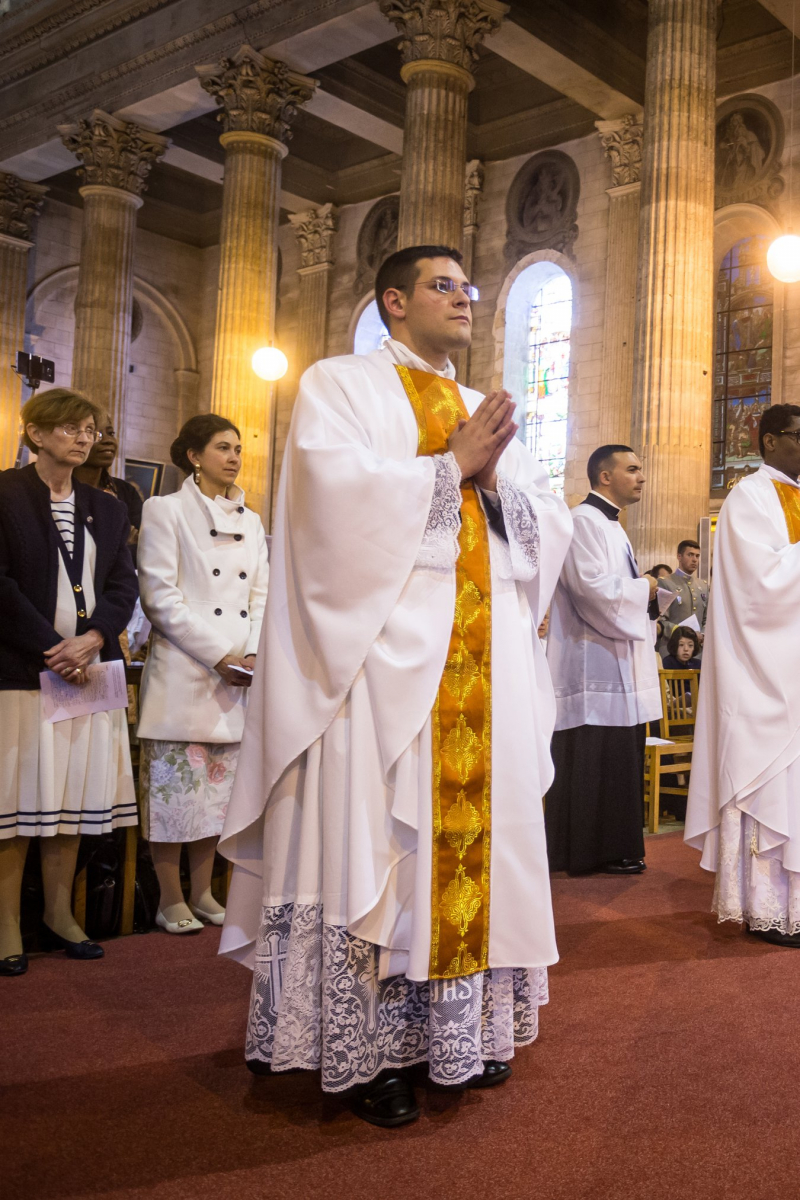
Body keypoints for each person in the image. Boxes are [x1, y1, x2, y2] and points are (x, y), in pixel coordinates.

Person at [218, 243, 573, 1126]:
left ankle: (461, 1037)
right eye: (442, 286)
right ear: (392, 300)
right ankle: (370, 1053)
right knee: (384, 854)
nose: (463, 299)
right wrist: (448, 469)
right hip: (380, 676)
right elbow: (329, 508)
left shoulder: (478, 402)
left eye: (468, 288)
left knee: (467, 858)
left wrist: (496, 487)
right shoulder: (341, 383)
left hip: (481, 671)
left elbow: (544, 527)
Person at [0, 388, 138, 977]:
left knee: (70, 801)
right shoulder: (4, 494)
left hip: (87, 672)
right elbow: (0, 583)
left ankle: (60, 912)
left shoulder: (106, 507)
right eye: (71, 428)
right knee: (18, 801)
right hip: (23, 670)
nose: (84, 437)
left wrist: (95, 638)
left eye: (90, 428)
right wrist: (52, 648)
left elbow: (121, 586)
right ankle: (6, 922)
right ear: (36, 434)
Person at [136, 415, 269, 936]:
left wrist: (254, 653)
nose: (234, 456)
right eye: (221, 447)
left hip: (238, 673)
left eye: (238, 447)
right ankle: (170, 899)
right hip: (187, 667)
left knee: (216, 797)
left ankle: (205, 892)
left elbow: (261, 594)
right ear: (193, 455)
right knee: (174, 794)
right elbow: (160, 596)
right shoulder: (164, 510)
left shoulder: (252, 521)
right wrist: (219, 654)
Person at [685, 403, 800, 948]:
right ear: (771, 440)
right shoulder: (749, 497)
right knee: (773, 783)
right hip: (764, 673)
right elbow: (761, 586)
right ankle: (769, 907)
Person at [545, 444, 662, 876]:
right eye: (632, 469)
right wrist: (645, 589)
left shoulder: (613, 526)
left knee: (618, 758)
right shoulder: (582, 522)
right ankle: (585, 851)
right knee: (594, 757)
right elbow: (592, 591)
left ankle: (614, 848)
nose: (642, 477)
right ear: (604, 476)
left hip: (615, 659)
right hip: (589, 663)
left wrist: (648, 594)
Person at [73, 408, 143, 565]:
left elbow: (143, 549)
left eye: (111, 434)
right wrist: (120, 542)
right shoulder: (62, 491)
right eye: (95, 434)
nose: (108, 441)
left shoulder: (126, 492)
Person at [659, 540, 708, 657]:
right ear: (679, 556)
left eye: (697, 556)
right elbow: (660, 621)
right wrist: (686, 634)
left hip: (698, 653)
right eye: (690, 555)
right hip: (672, 650)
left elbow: (707, 619)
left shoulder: (703, 586)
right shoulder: (666, 583)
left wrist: (702, 634)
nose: (695, 559)